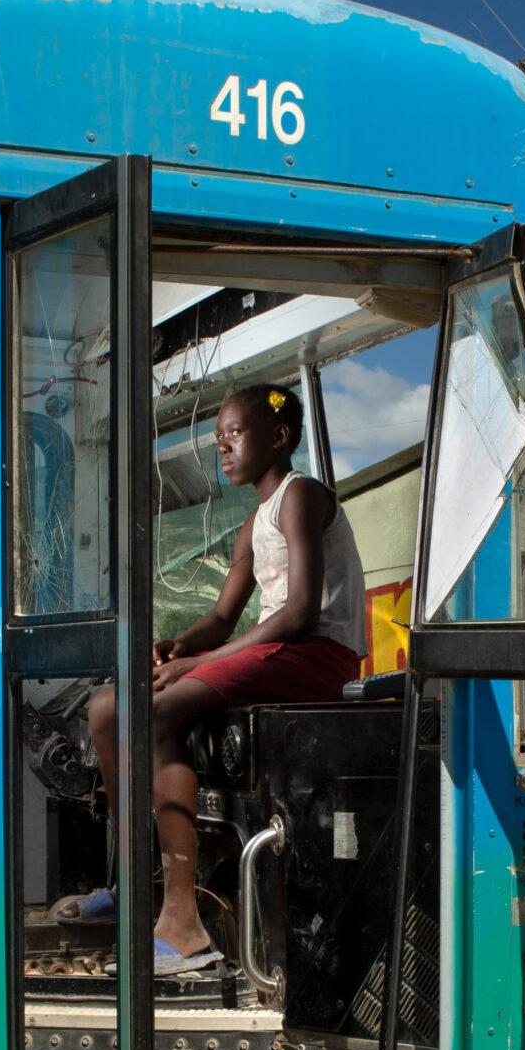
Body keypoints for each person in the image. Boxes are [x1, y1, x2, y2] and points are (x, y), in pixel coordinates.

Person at [60, 383, 366, 974]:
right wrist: (181, 643)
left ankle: (183, 922)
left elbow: (300, 613)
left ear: (278, 437)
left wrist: (197, 665)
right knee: (105, 709)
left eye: (233, 435)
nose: (222, 449)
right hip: (282, 649)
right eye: (218, 440)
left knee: (152, 713)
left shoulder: (301, 496)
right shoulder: (255, 520)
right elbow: (223, 618)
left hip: (318, 654)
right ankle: (132, 886)